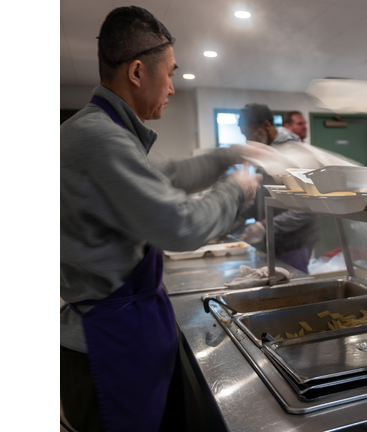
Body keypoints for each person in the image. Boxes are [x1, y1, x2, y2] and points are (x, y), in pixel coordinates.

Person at [60, 7, 267, 432]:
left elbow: (166, 175)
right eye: (170, 74)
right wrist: (237, 188)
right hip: (108, 346)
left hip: (125, 335)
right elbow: (181, 226)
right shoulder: (97, 137)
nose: (172, 87)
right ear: (138, 71)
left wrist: (233, 154)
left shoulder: (105, 130)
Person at [236, 104, 319, 273]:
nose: (248, 142)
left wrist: (264, 226)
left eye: (250, 134)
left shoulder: (294, 154)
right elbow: (261, 197)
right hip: (271, 242)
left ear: (266, 125)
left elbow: (307, 207)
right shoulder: (267, 153)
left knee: (294, 290)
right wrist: (235, 216)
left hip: (293, 243)